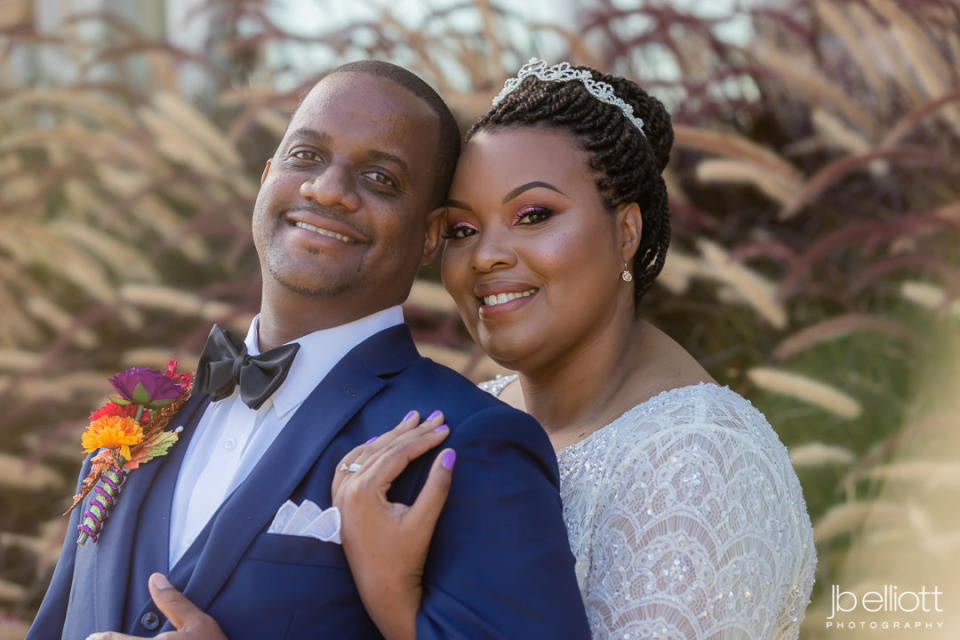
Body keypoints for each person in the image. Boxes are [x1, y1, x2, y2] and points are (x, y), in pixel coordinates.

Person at [26, 60, 591, 640]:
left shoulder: (468, 442)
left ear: (430, 234)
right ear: (268, 175)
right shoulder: (139, 420)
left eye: (380, 178)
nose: (326, 190)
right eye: (306, 157)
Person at [332, 59, 817, 639]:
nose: (486, 255)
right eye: (463, 230)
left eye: (533, 215)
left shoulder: (700, 461)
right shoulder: (465, 421)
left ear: (627, 232)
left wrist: (396, 605)